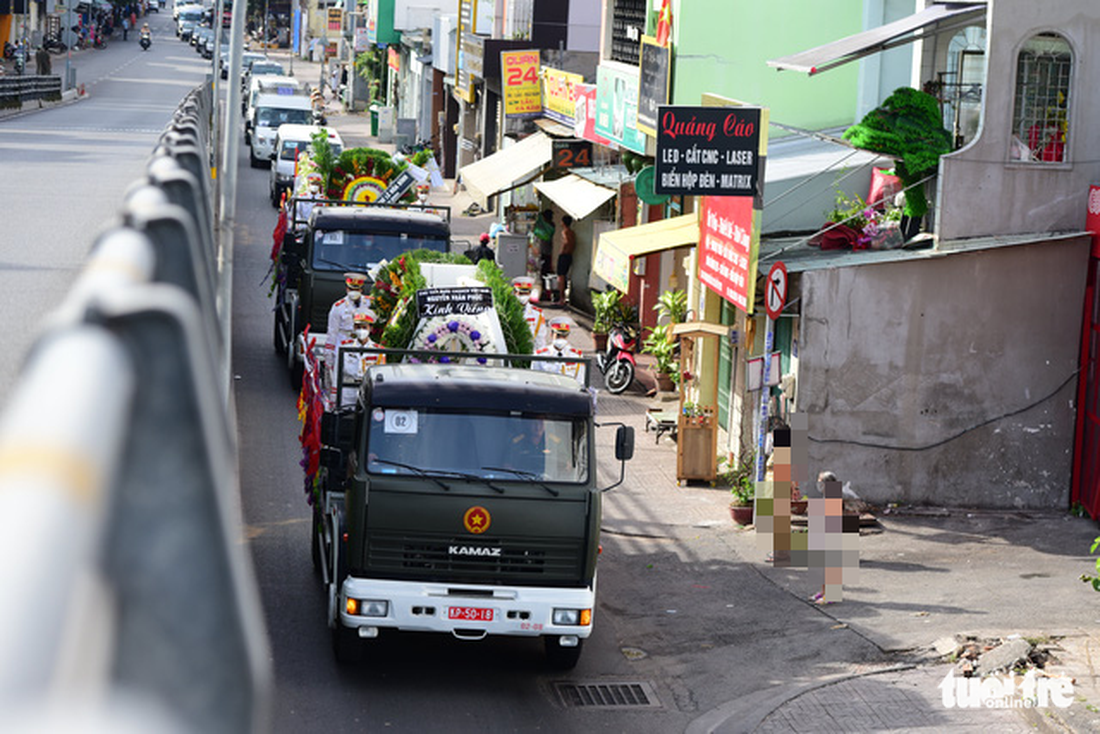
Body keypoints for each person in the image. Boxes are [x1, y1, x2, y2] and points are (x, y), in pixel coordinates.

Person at [324, 273, 376, 390]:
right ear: (347, 288)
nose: (354, 292)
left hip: (363, 343)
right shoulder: (338, 307)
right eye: (351, 289)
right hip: (343, 344)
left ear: (362, 290)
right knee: (341, 381)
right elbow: (332, 332)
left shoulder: (370, 303)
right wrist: (329, 357)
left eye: (357, 289)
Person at [332, 311, 380, 408]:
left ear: (370, 329)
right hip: (347, 391)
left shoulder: (377, 350)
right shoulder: (345, 346)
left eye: (364, 327)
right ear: (354, 328)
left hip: (367, 391)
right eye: (358, 327)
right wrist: (334, 394)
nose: (361, 330)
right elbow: (337, 371)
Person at [534, 318, 583, 384]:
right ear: (551, 335)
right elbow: (535, 380)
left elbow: (580, 381)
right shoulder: (540, 355)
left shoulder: (576, 356)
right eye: (558, 336)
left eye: (564, 336)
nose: (561, 339)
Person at [511, 276, 545, 350]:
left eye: (526, 293)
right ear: (514, 292)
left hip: (530, 352)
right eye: (521, 293)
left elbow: (540, 339)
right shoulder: (507, 311)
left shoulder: (537, 314)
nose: (523, 296)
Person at [531, 209, 555, 277]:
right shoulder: (552, 225)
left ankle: (544, 280)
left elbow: (534, 230)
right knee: (546, 264)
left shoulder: (545, 225)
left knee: (543, 265)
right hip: (548, 248)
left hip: (544, 248)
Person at [556, 214, 575, 291]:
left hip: (564, 255)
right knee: (564, 275)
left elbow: (565, 242)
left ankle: (561, 297)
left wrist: (561, 251)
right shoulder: (572, 232)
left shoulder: (565, 232)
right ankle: (562, 297)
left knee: (561, 276)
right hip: (569, 255)